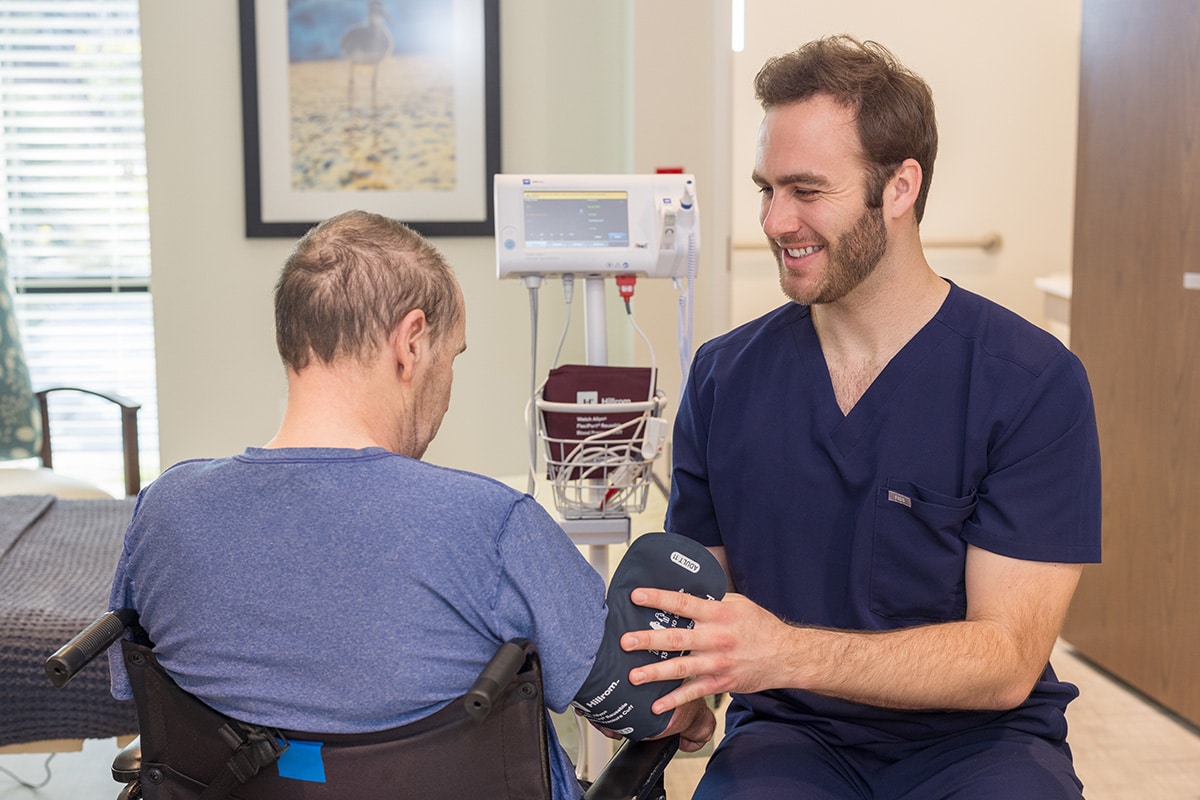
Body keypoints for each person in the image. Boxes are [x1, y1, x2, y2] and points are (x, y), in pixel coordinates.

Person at [619, 36, 1102, 799]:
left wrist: (784, 654)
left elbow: (1008, 660)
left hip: (980, 744)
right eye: (766, 189)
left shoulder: (1032, 384)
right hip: (792, 735)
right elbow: (700, 593)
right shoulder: (724, 377)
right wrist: (676, 690)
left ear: (900, 187)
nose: (777, 221)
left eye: (807, 191)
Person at [107, 210, 713, 800]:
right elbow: (637, 707)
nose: (447, 383)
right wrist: (690, 713)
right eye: (453, 357)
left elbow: (145, 699)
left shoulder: (163, 512)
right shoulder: (492, 525)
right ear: (412, 343)